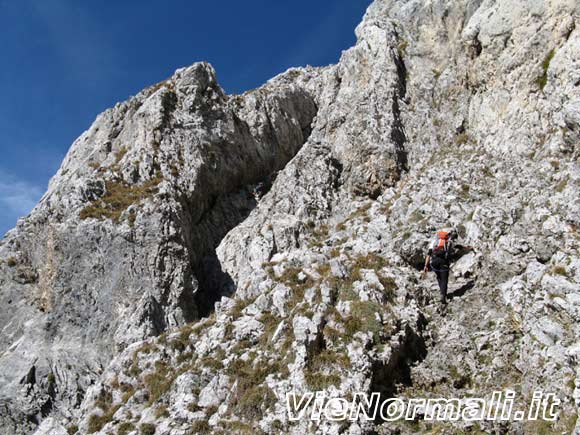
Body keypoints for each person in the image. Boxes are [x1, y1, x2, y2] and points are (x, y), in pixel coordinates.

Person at [423, 228, 454, 311]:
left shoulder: (434, 242)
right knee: (444, 279)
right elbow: (451, 253)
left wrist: (426, 265)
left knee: (439, 277)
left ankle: (442, 293)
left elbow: (429, 254)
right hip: (444, 262)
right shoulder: (448, 242)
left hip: (434, 262)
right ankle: (443, 295)